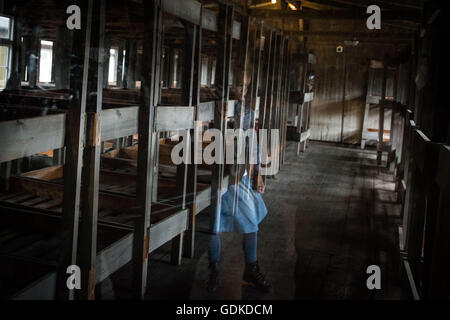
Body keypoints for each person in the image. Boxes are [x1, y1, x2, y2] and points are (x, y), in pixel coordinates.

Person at [206, 74, 271, 293]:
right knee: (213, 226)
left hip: (237, 175)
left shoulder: (247, 112)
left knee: (251, 222)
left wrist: (258, 173)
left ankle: (251, 268)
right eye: (238, 83)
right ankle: (213, 270)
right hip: (214, 174)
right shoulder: (210, 108)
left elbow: (252, 144)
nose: (242, 88)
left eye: (245, 84)